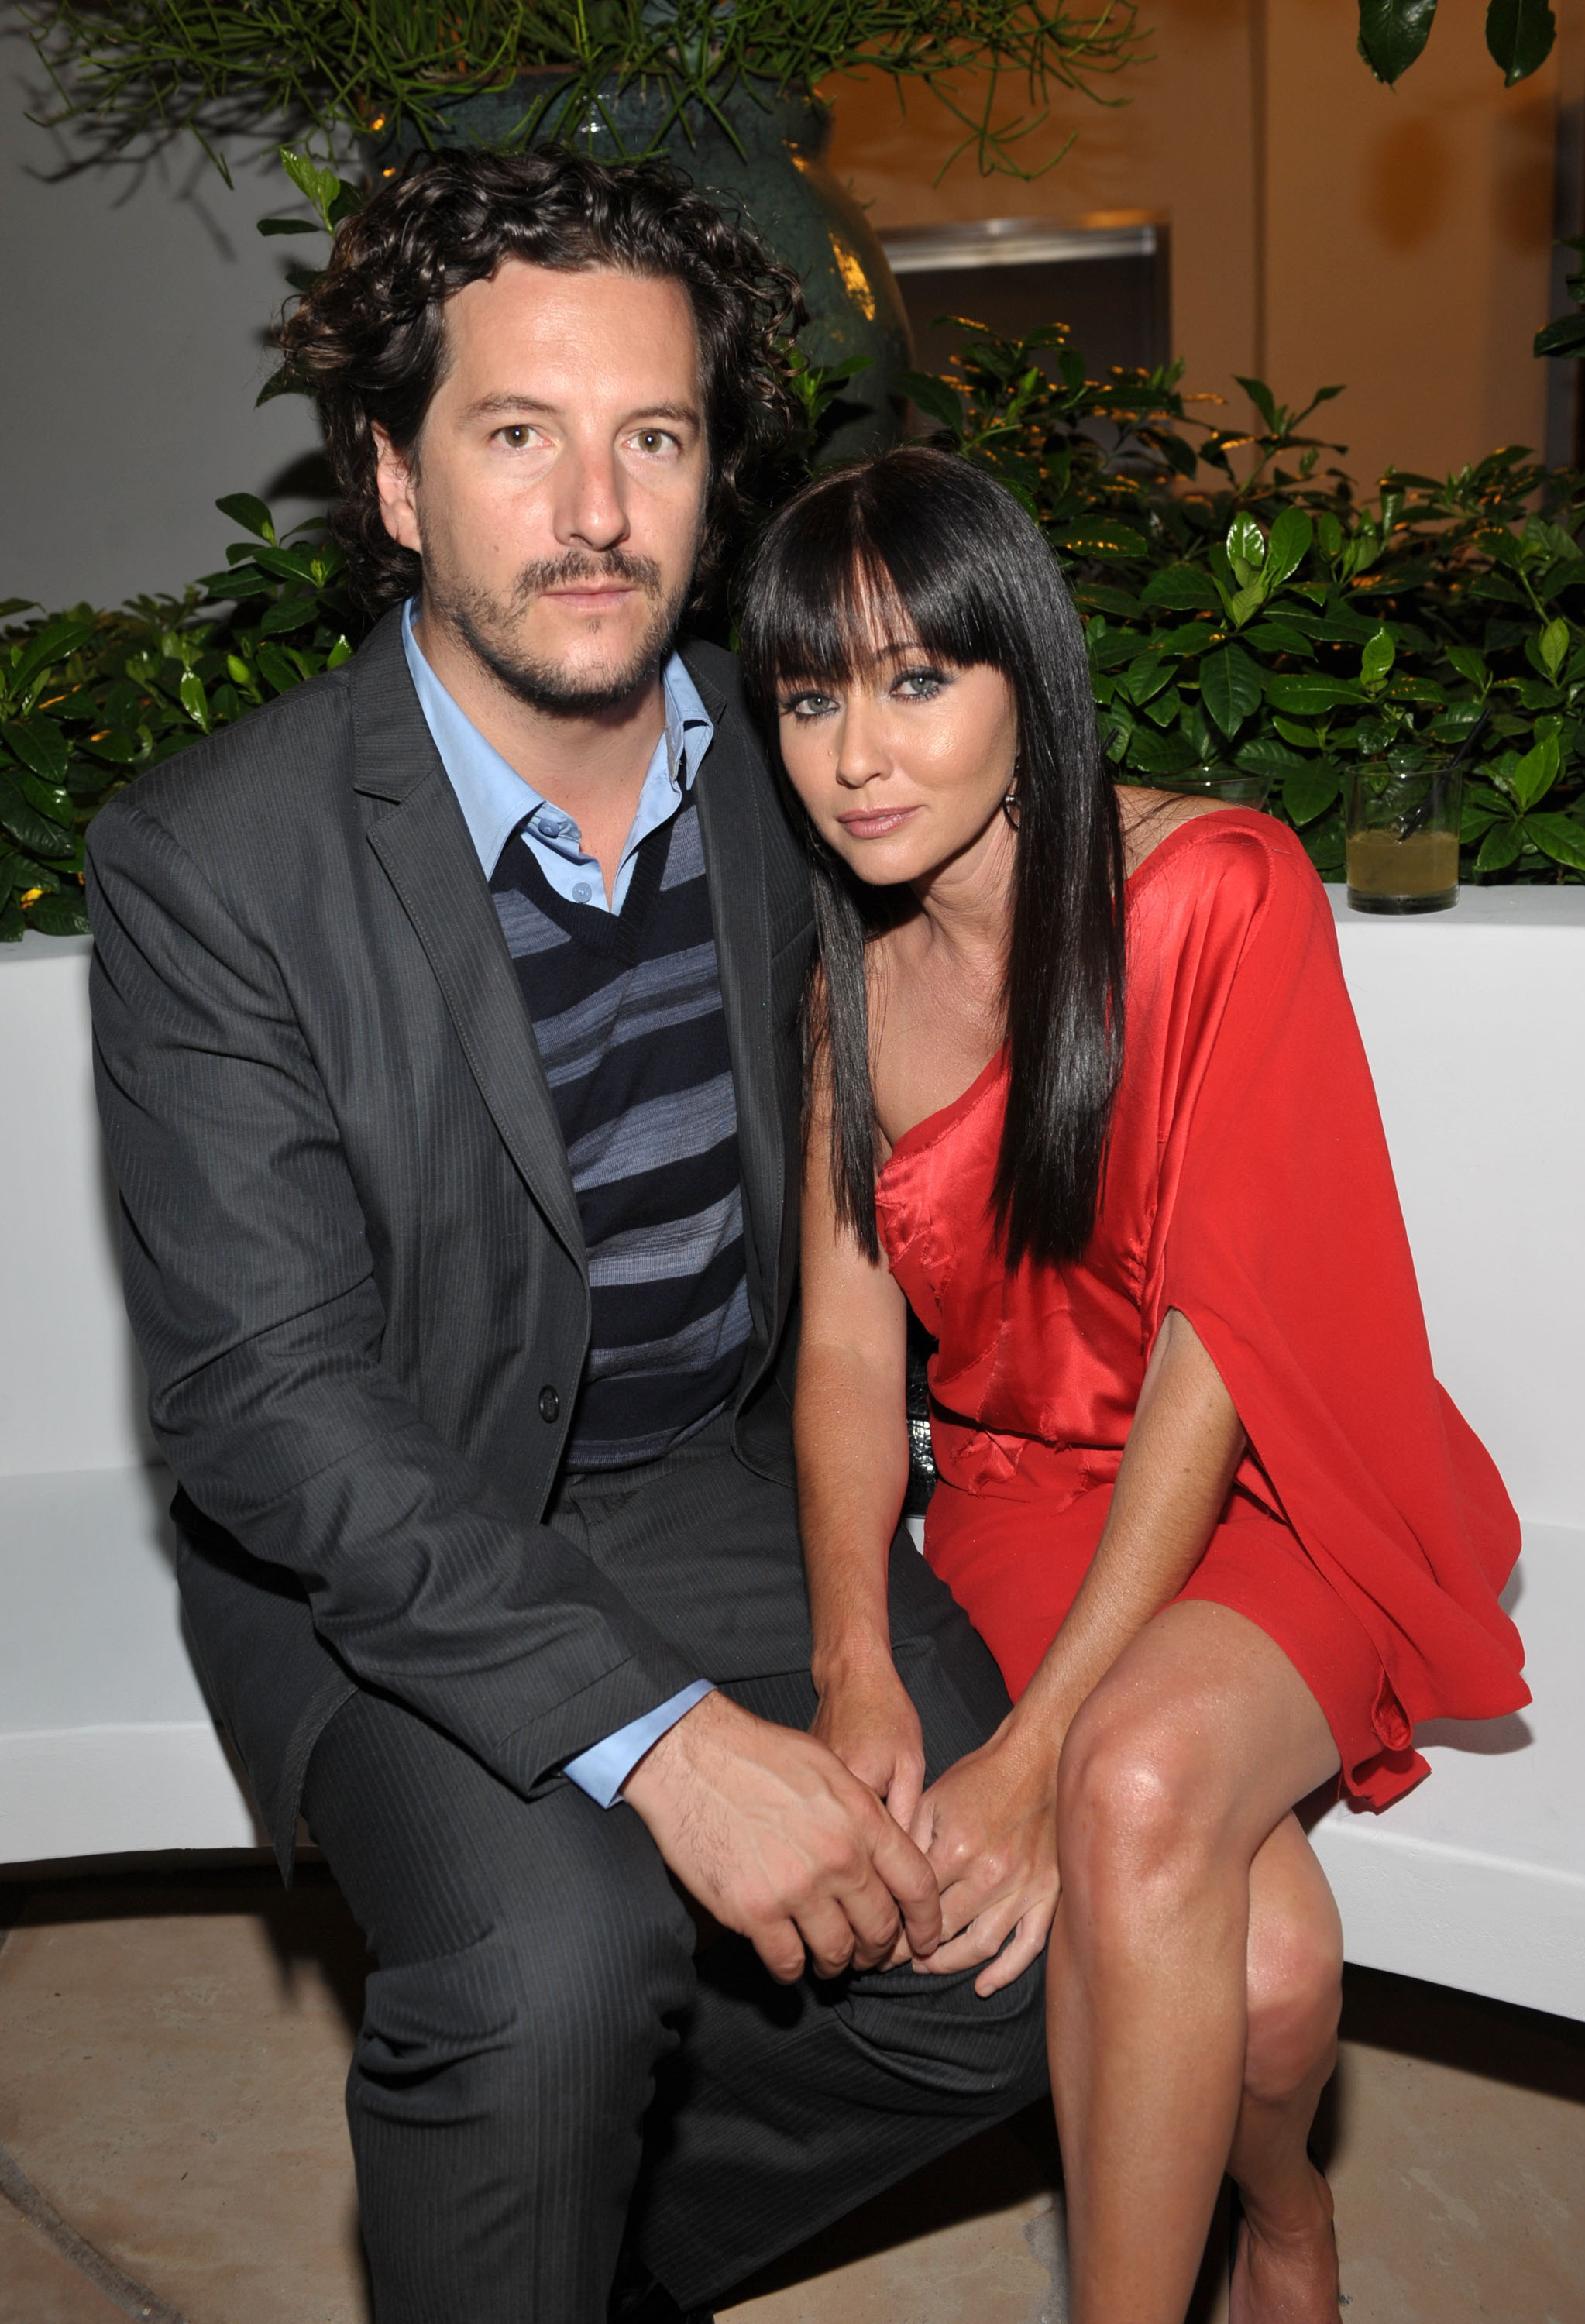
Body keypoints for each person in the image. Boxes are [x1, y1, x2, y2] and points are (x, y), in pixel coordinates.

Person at [85, 158, 1050, 2323]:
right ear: (396, 483)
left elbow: (1021, 819)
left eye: (655, 437)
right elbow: (268, 1412)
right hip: (392, 1526)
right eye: (517, 434)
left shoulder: (791, 764)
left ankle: (547, 2254)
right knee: (551, 1966)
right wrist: (673, 1748)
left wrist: (826, 1641)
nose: (595, 508)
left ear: (716, 473)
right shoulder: (212, 862)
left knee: (993, 1941)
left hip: (697, 1472)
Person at [739, 445, 1529, 2324]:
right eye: (807, 695)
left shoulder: (1210, 890)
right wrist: (859, 1662)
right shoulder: (848, 980)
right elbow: (854, 1356)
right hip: (1025, 1493)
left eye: (919, 680)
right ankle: (1283, 2219)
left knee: (1138, 1780)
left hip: (1283, 1467)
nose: (858, 751)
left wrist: (1029, 1752)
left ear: (1028, 675)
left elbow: (1218, 1350)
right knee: (1257, 1991)